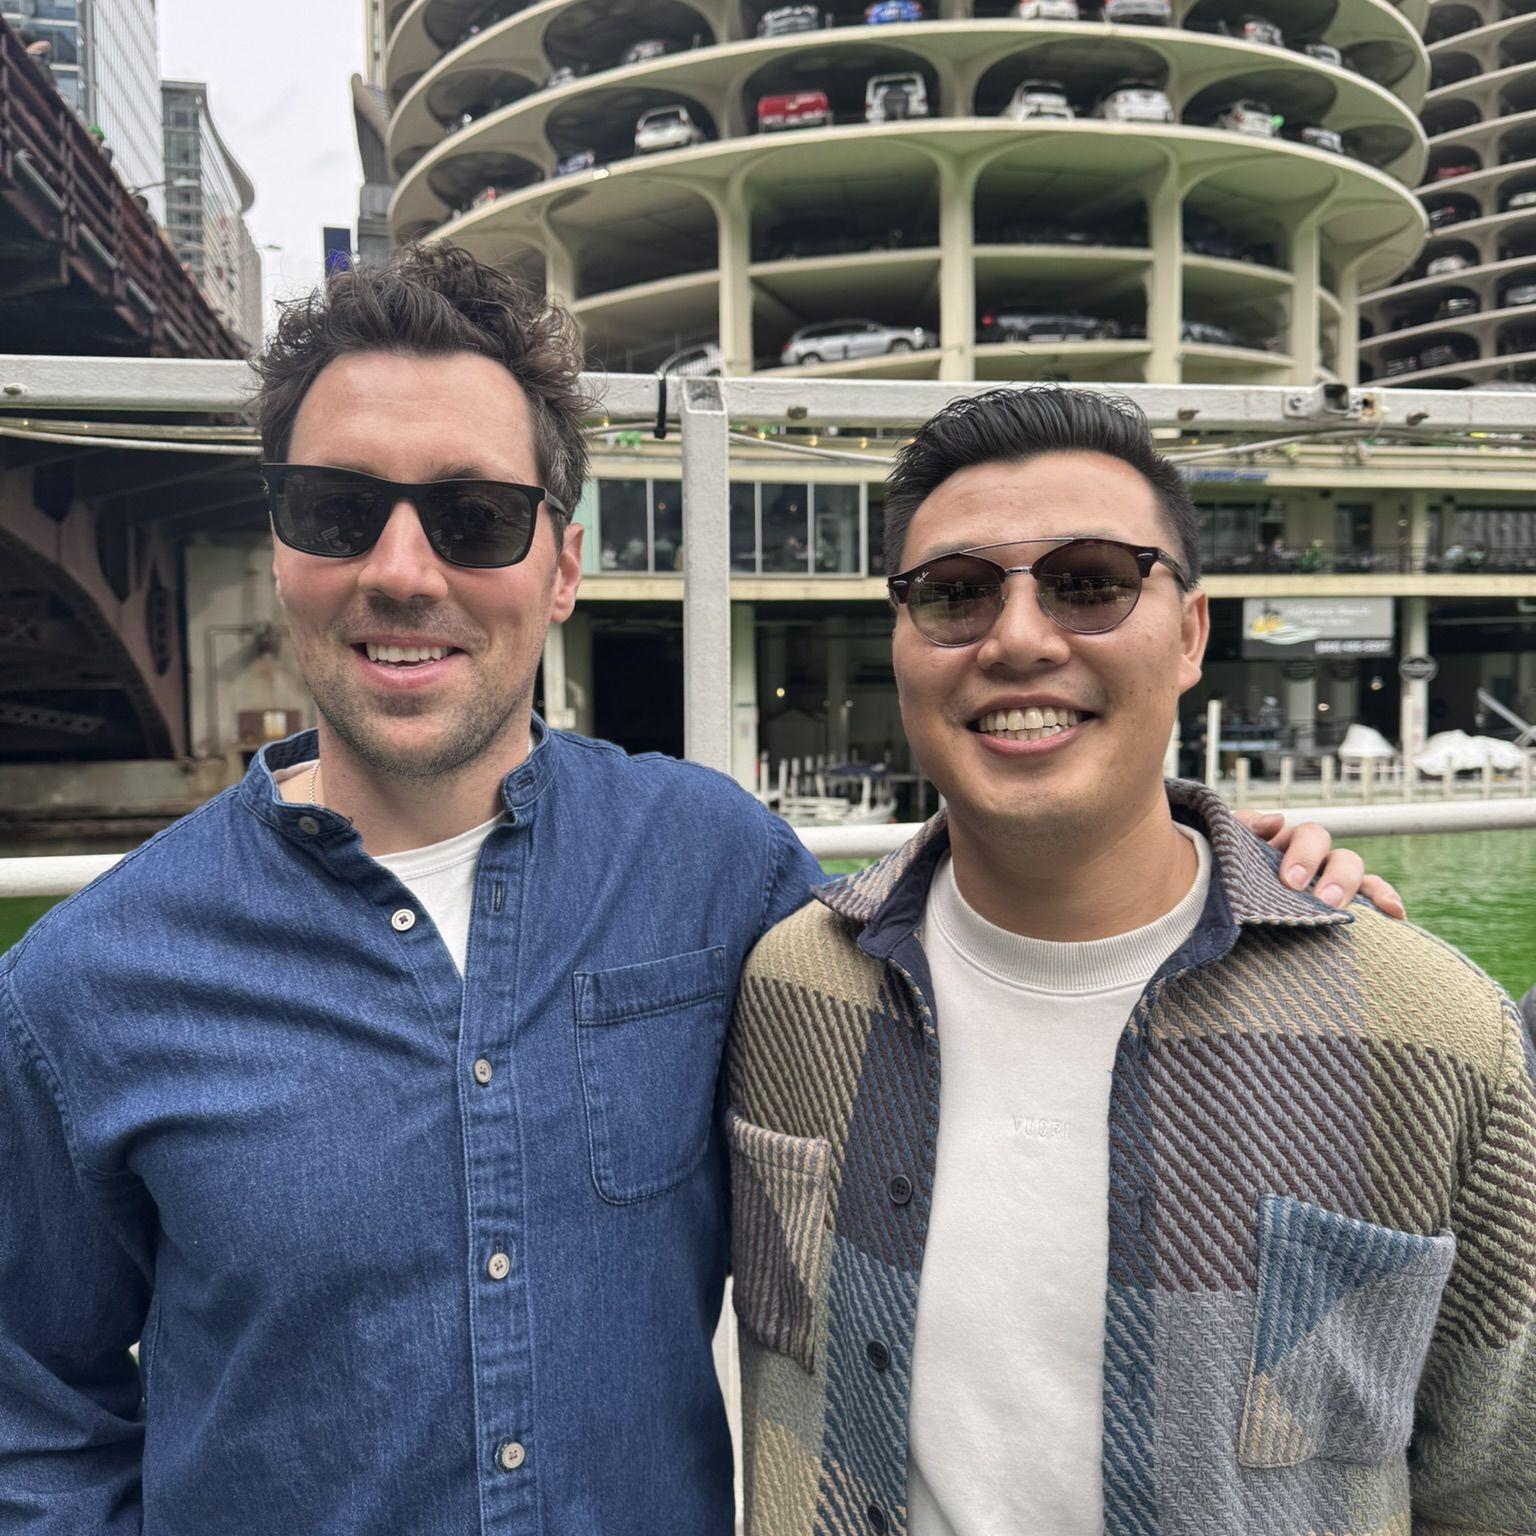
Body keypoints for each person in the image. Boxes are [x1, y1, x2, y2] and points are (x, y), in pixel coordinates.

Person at [0, 253, 1392, 1536]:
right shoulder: (85, 987)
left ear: (562, 566)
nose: (403, 570)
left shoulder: (715, 865)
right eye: (338, 511)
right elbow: (38, 1411)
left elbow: (977, 939)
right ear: (282, 548)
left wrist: (1225, 868)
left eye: (476, 517)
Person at [727, 387, 1535, 1536]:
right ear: (899, 642)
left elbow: (1497, 1487)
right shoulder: (785, 992)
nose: (1018, 638)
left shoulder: (1436, 1033)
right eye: (954, 593)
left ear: (1192, 633)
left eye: (1091, 582)